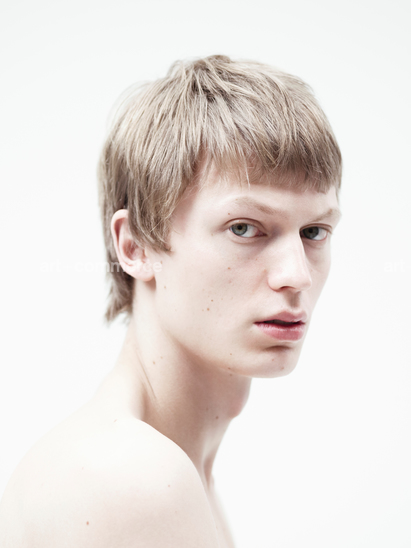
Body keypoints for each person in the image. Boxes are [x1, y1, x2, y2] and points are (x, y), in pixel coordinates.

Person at [0, 54, 342, 547]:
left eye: (314, 231)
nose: (296, 274)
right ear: (135, 245)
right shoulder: (130, 478)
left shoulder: (169, 465)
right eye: (244, 228)